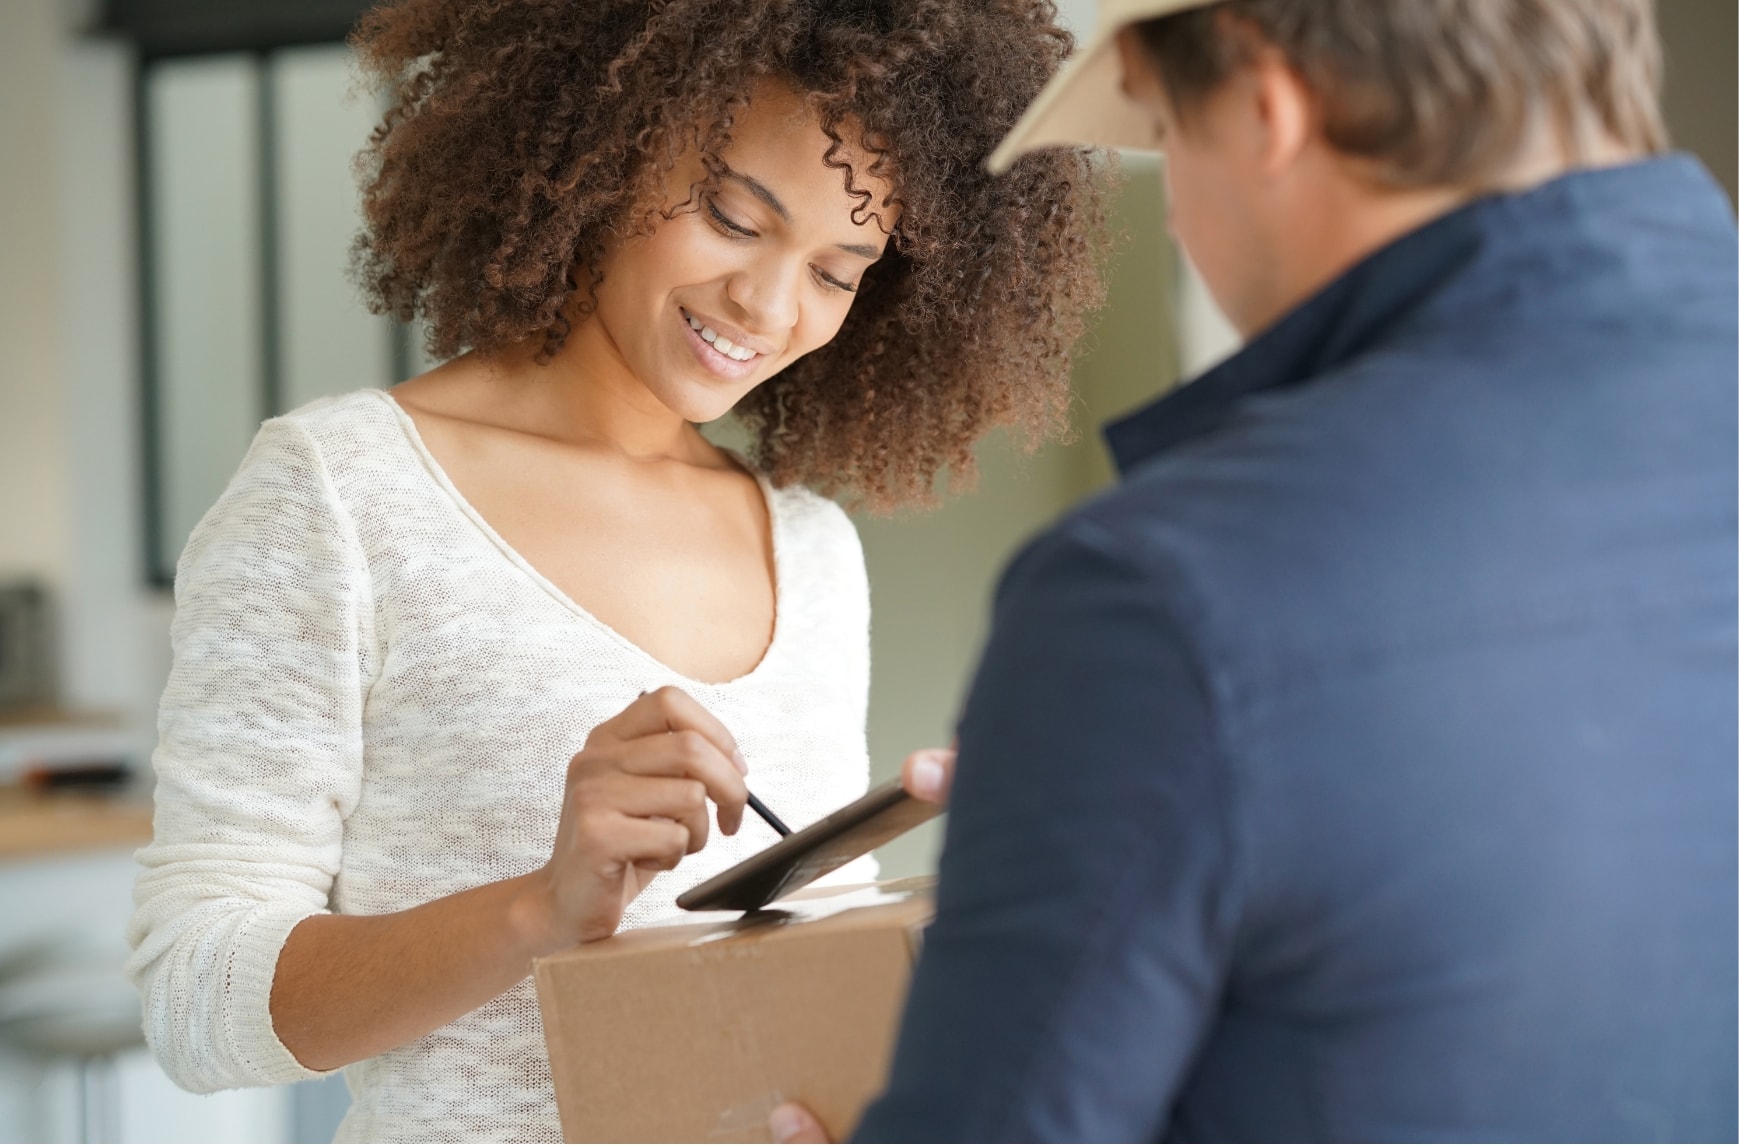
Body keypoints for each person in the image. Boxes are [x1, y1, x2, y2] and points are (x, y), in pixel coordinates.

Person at [124, 1, 1107, 1140]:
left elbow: (798, 1003)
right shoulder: (343, 493)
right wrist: (538, 911)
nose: (767, 306)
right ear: (607, 137)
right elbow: (194, 1003)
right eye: (733, 216)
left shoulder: (809, 549)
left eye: (838, 273)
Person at [770, 0, 1738, 1140]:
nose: (1177, 216)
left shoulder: (1160, 596)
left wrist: (1114, 748)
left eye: (1167, 136)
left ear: (1267, 110)